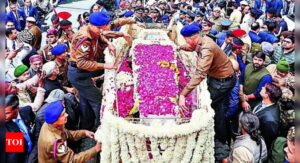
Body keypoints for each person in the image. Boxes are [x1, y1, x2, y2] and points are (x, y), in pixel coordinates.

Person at [178, 24, 236, 162]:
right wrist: (180, 47)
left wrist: (183, 94)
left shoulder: (207, 47)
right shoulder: (200, 41)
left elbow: (200, 73)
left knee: (210, 107)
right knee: (218, 108)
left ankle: (219, 140)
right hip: (218, 78)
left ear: (194, 37)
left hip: (222, 82)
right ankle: (222, 135)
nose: (186, 42)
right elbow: (191, 47)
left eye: (186, 40)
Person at [38, 100, 102, 162]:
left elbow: (67, 134)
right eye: (63, 115)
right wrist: (96, 149)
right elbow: (72, 160)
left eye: (65, 112)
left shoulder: (51, 124)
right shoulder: (53, 142)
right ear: (55, 121)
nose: (67, 115)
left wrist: (84, 133)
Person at [5, 94, 35, 163]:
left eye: (7, 113)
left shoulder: (27, 110)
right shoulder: (7, 128)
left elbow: (34, 126)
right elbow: (14, 157)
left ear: (17, 109)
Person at [253, 83, 282, 150]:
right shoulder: (266, 102)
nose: (262, 87)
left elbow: (267, 140)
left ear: (267, 95)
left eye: (264, 88)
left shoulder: (271, 120)